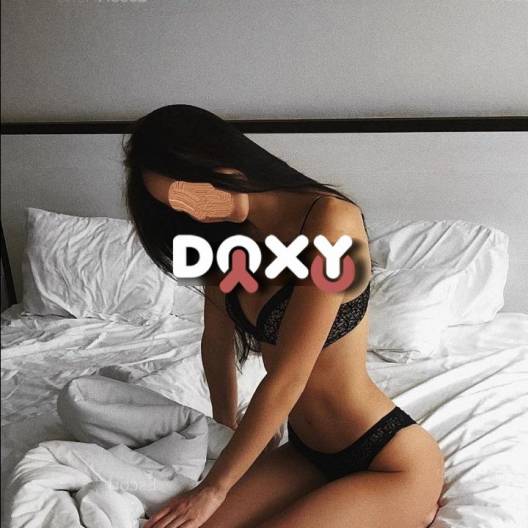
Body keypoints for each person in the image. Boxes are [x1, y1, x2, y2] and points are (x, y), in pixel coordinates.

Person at [123, 104, 444, 528]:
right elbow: (216, 344)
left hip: (386, 459)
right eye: (178, 207)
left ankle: (405, 507)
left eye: (191, 194)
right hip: (306, 453)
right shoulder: (225, 239)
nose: (194, 212)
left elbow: (290, 375)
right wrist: (227, 430)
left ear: (217, 160)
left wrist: (213, 489)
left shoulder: (333, 221)